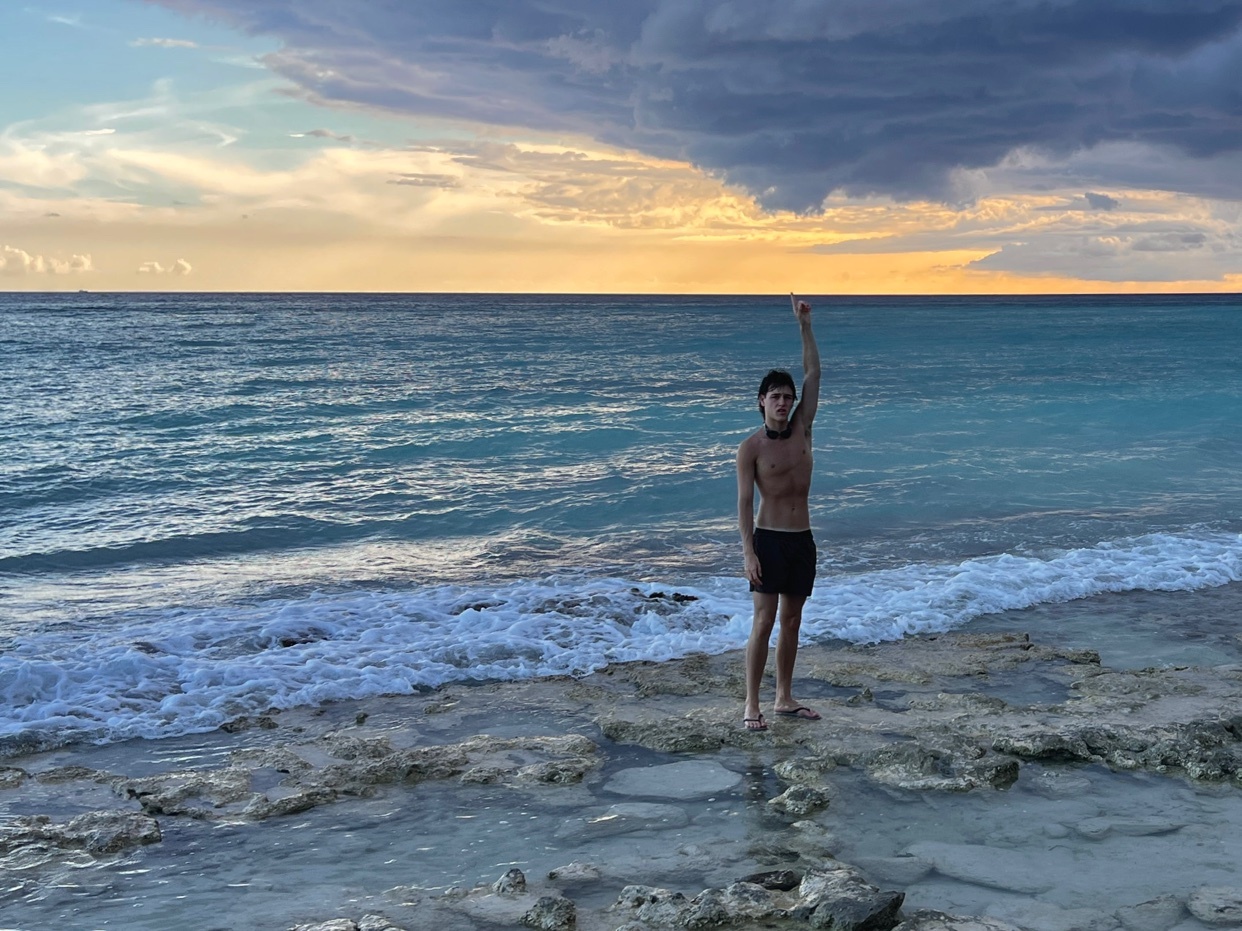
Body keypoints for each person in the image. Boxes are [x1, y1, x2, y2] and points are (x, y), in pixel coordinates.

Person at [736, 294, 822, 731]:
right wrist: (748, 553)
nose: (785, 403)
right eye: (776, 397)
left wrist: (803, 325)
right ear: (762, 401)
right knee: (764, 620)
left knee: (791, 621)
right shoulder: (750, 448)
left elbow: (813, 372)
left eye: (788, 397)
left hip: (801, 539)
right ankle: (751, 703)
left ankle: (783, 697)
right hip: (768, 540)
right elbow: (745, 503)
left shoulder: (804, 428)